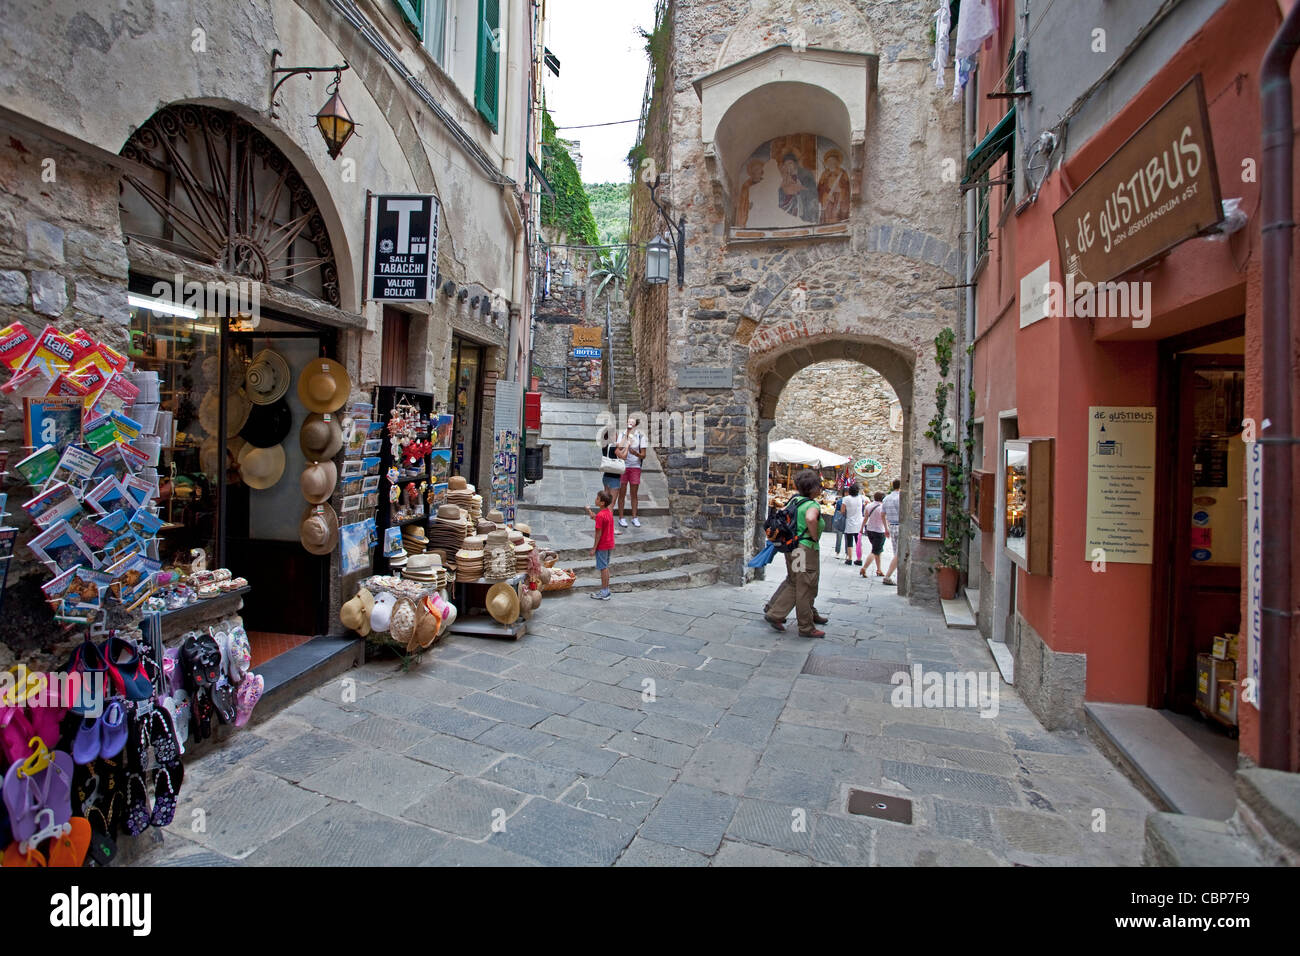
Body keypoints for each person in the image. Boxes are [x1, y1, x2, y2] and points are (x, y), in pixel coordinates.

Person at [763, 469, 828, 638]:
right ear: (813, 488)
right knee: (805, 585)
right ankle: (806, 627)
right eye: (819, 486)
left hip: (792, 547)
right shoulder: (812, 505)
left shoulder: (794, 500)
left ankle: (774, 610)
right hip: (805, 548)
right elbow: (811, 519)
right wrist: (814, 536)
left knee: (795, 581)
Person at [585, 488, 616, 600]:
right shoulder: (608, 513)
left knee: (603, 568)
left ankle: (604, 592)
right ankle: (606, 590)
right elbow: (598, 518)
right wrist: (589, 511)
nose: (595, 500)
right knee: (605, 567)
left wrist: (594, 548)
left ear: (602, 502)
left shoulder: (601, 515)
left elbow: (598, 533)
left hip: (602, 545)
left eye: (597, 498)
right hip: (609, 543)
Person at [617, 416, 648, 529]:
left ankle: (635, 517)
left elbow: (643, 455)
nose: (630, 424)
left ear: (635, 425)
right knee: (622, 493)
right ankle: (621, 517)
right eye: (628, 422)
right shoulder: (622, 434)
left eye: (632, 423)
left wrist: (635, 453)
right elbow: (619, 448)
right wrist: (626, 436)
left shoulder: (640, 436)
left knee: (634, 494)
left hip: (635, 467)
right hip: (623, 467)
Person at [599, 428, 626, 534]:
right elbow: (623, 456)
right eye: (615, 434)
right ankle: (610, 529)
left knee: (605, 504)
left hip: (606, 477)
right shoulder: (614, 446)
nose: (616, 436)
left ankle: (602, 525)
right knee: (611, 505)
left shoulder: (605, 446)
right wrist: (627, 446)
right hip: (614, 478)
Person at [818, 149, 851, 223]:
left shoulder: (842, 172)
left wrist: (840, 190)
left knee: (836, 212)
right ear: (827, 163)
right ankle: (826, 225)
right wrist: (827, 191)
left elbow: (846, 186)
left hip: (839, 195)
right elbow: (820, 187)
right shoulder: (824, 173)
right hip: (827, 197)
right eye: (829, 161)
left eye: (833, 161)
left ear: (837, 162)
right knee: (828, 212)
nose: (831, 163)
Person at [862, 491, 888, 577]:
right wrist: (887, 529)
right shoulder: (883, 507)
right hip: (879, 531)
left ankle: (879, 569)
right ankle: (864, 568)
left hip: (870, 530)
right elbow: (885, 519)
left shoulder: (869, 506)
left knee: (878, 550)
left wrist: (861, 528)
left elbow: (865, 518)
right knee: (875, 551)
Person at [882, 478, 901, 586]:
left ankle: (897, 576)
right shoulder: (900, 498)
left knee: (896, 553)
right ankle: (888, 576)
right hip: (900, 526)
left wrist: (886, 528)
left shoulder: (886, 498)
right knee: (899, 553)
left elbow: (882, 514)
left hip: (892, 526)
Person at [841, 482, 865, 566]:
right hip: (859, 522)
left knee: (850, 541)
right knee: (858, 542)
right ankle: (859, 559)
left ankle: (850, 558)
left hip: (850, 522)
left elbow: (842, 511)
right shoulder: (861, 498)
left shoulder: (846, 499)